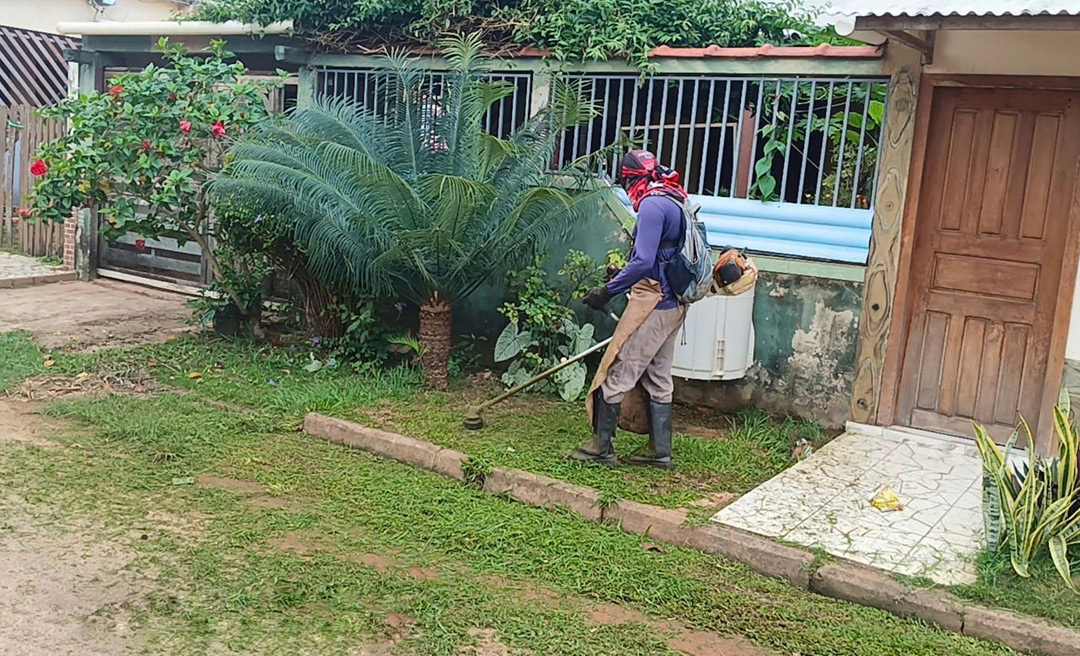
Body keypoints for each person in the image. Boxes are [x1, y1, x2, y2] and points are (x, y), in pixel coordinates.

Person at [573, 150, 689, 469]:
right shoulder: (674, 198)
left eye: (625, 182)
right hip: (675, 304)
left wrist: (607, 291)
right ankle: (661, 453)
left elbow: (643, 262)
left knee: (619, 370)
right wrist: (622, 274)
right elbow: (662, 257)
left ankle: (601, 447)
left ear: (630, 179)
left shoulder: (652, 205)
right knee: (659, 376)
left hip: (654, 304)